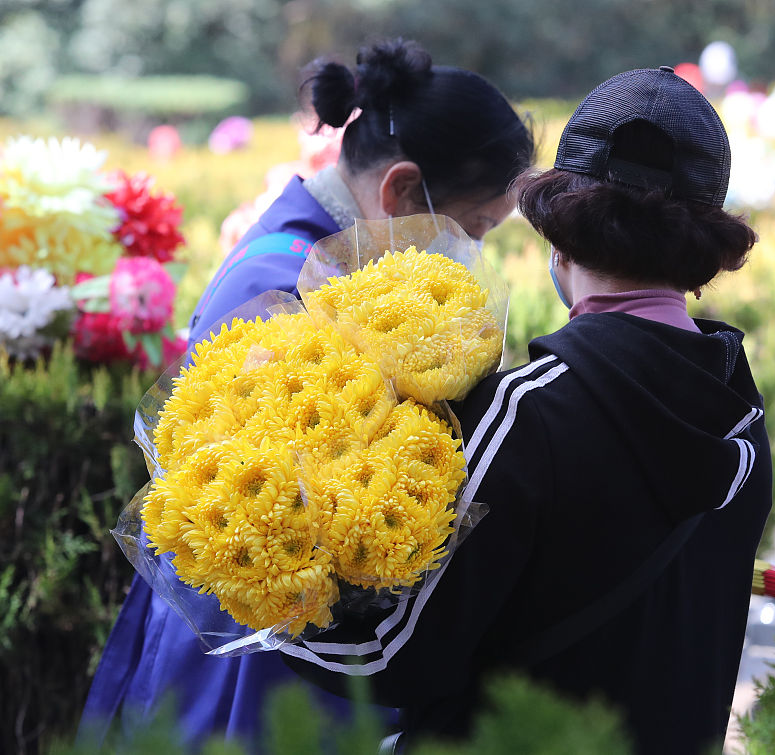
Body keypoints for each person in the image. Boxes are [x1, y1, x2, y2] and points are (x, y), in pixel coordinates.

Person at [284, 66, 771, 755]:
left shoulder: (524, 412)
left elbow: (390, 655)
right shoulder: (742, 418)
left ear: (559, 229)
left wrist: (276, 573)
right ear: (705, 250)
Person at [79, 37, 535, 749]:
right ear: (404, 191)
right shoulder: (283, 278)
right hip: (245, 640)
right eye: (473, 227)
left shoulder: (338, 259)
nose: (471, 250)